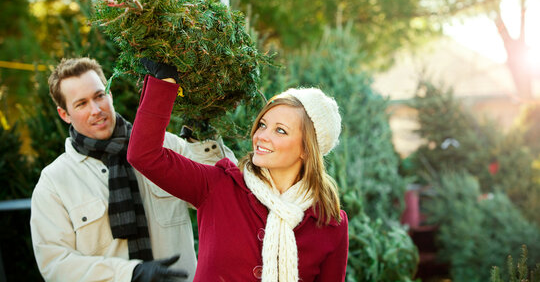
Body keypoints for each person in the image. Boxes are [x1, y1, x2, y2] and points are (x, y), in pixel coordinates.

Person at [127, 61, 349, 281]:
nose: (262, 136)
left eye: (280, 130)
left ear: (307, 150)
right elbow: (145, 155)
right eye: (262, 124)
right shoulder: (218, 185)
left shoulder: (330, 223)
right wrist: (164, 81)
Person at [30, 57, 237, 282]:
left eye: (100, 96)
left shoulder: (167, 147)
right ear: (64, 114)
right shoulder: (54, 182)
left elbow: (222, 190)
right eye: (81, 104)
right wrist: (130, 274)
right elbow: (55, 264)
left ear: (110, 94)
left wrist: (202, 133)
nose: (96, 110)